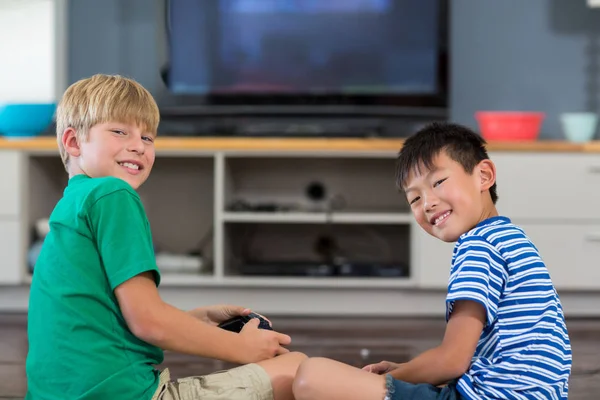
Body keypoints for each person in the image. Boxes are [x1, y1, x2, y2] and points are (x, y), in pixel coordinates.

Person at [25, 74, 306, 400]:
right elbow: (148, 322)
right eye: (119, 131)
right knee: (297, 369)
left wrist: (197, 321)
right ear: (73, 142)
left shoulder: (70, 204)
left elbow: (113, 323)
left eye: (148, 137)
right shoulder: (112, 194)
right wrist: (242, 348)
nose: (138, 146)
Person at [292, 122, 572, 400]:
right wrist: (407, 370)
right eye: (414, 199)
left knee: (310, 376)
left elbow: (452, 361)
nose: (427, 203)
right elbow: (484, 358)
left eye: (438, 182)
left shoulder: (478, 246)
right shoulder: (509, 237)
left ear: (484, 176)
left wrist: (388, 378)